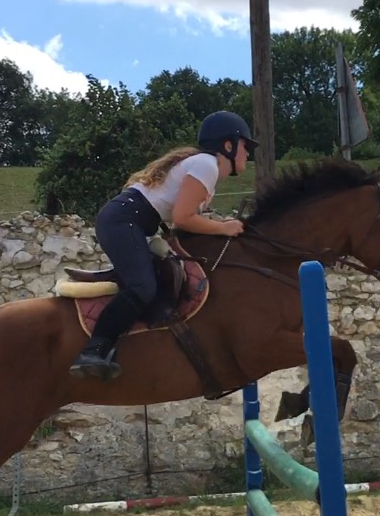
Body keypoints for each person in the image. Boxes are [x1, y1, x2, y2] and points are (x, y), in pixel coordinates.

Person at [69, 110, 257, 381]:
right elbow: (184, 218)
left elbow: (184, 220)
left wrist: (218, 226)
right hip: (124, 220)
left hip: (130, 220)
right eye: (245, 146)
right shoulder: (207, 165)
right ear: (228, 145)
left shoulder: (205, 167)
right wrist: (223, 227)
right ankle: (93, 351)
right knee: (143, 287)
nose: (247, 154)